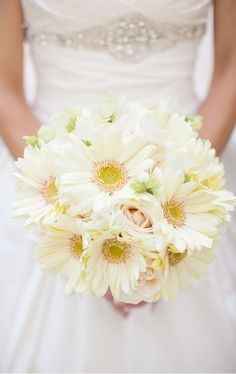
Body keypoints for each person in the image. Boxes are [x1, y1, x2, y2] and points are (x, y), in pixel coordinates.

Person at [0, 0, 236, 371]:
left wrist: (178, 197)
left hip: (190, 175)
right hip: (50, 174)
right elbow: (4, 88)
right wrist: (77, 219)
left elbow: (231, 66)